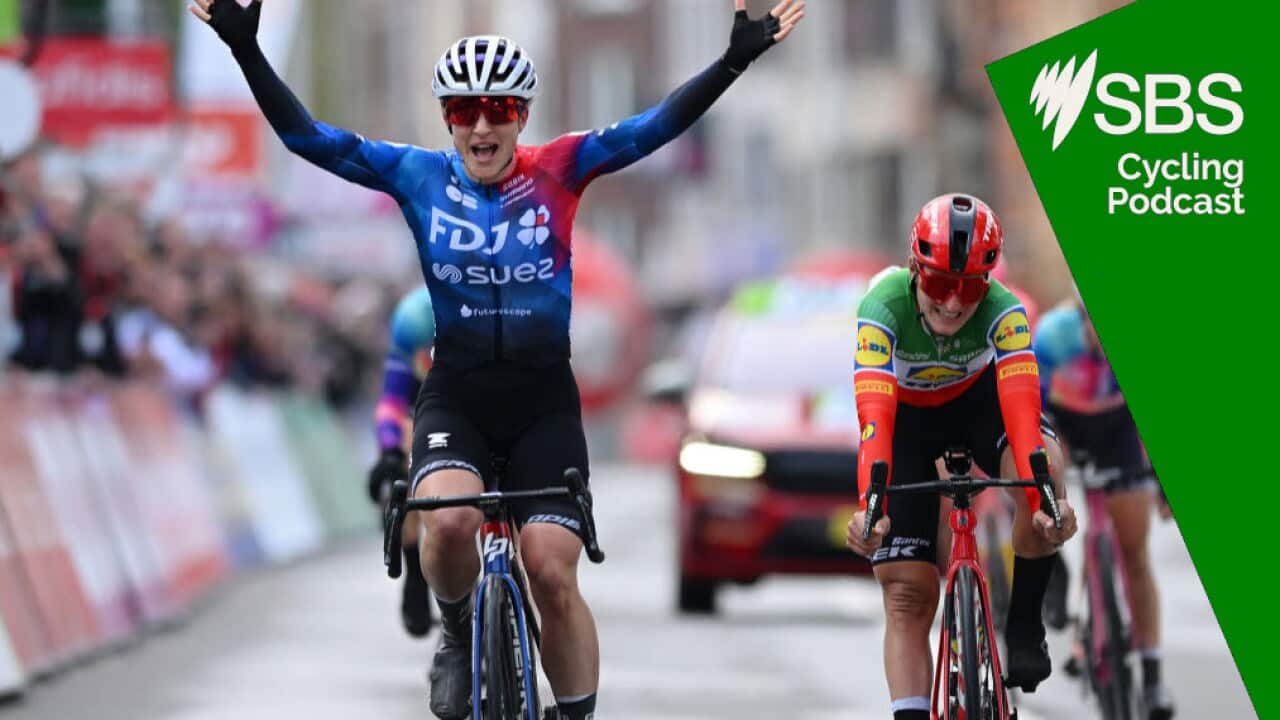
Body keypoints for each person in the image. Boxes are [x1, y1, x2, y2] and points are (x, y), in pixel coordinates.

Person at [189, 1, 805, 717]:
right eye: (463, 110)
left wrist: (733, 60)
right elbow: (305, 138)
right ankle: (456, 632)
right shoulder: (417, 176)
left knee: (550, 571)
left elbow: (655, 127)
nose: (482, 125)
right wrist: (246, 52)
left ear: (521, 113)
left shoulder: (562, 168)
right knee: (447, 522)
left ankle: (573, 710)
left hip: (543, 401)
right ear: (447, 118)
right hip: (460, 393)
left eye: (499, 107)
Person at [845, 193, 1079, 720]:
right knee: (907, 593)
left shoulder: (1005, 311)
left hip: (981, 408)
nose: (952, 303)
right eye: (938, 284)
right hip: (904, 421)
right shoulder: (881, 306)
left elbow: (1021, 415)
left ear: (989, 281)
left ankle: (1023, 627)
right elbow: (875, 419)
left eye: (970, 287)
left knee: (1043, 469)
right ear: (913, 269)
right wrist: (871, 510)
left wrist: (1046, 500)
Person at [1034, 294, 1174, 720]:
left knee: (1134, 552)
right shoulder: (1054, 339)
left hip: (1117, 429)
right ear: (1082, 318)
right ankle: (1074, 608)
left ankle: (1152, 676)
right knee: (1061, 511)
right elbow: (1033, 411)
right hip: (1067, 424)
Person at [366, 286, 437, 639]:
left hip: (476, 399)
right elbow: (391, 401)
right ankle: (415, 572)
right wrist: (391, 450)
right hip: (421, 405)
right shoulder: (414, 318)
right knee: (405, 464)